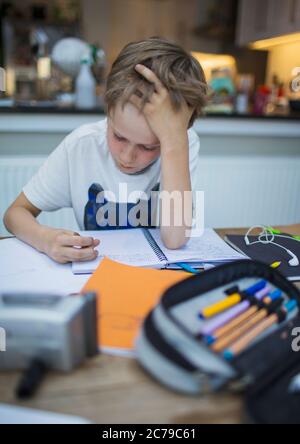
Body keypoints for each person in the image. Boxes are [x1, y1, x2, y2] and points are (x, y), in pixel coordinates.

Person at [3, 37, 207, 264]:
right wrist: (45, 239)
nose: (127, 156)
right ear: (108, 110)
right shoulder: (82, 145)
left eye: (149, 146)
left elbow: (175, 238)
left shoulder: (180, 143)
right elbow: (15, 214)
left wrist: (173, 142)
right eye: (119, 136)